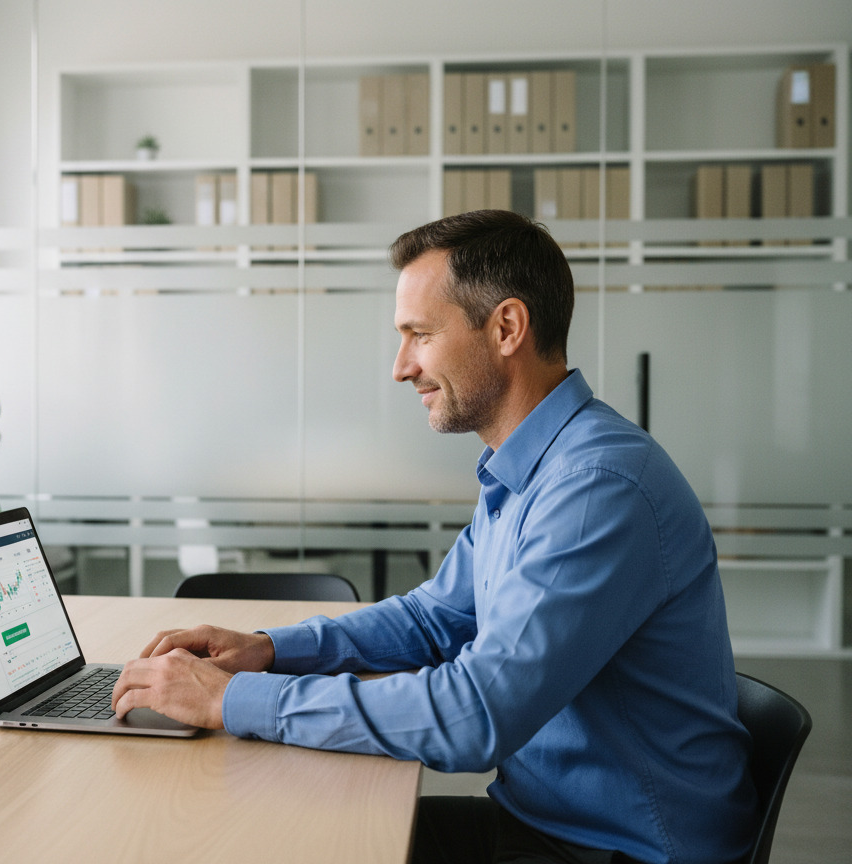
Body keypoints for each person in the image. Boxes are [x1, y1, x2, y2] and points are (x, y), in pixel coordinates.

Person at [111, 210, 756, 864]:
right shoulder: (532, 466)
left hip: (618, 851)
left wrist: (231, 699)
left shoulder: (597, 488)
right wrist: (269, 652)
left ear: (506, 328)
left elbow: (475, 715)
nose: (400, 367)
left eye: (419, 334)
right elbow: (434, 619)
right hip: (547, 824)